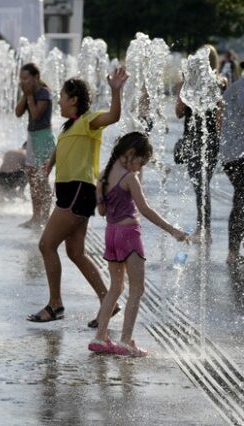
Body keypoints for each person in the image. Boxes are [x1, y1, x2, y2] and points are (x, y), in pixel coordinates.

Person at [27, 68, 129, 326]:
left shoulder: (89, 121)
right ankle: (109, 301)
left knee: (46, 245)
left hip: (78, 192)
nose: (58, 100)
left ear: (73, 99)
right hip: (70, 191)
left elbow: (114, 116)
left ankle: (55, 305)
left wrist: (116, 91)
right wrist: (50, 164)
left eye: (62, 96)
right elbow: (63, 146)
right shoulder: (68, 127)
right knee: (75, 252)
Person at [88, 132, 187, 356]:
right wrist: (172, 230)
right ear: (132, 154)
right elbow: (145, 209)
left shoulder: (103, 176)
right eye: (140, 163)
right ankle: (124, 341)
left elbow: (101, 211)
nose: (139, 169)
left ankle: (100, 338)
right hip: (129, 235)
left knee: (115, 288)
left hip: (111, 234)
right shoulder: (129, 178)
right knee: (137, 289)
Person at [175, 45, 226, 242]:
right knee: (203, 184)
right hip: (212, 139)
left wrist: (183, 90)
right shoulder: (221, 82)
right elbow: (221, 117)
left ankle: (204, 230)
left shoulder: (188, 83)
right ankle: (204, 229)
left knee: (199, 184)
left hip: (192, 139)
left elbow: (178, 112)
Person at [15, 63, 54, 228]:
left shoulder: (44, 93)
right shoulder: (28, 93)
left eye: (26, 78)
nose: (23, 81)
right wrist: (25, 95)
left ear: (36, 77)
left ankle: (45, 217)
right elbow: (18, 113)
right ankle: (35, 216)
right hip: (32, 137)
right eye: (21, 79)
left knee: (41, 178)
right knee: (32, 177)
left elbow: (37, 115)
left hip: (43, 138)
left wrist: (29, 96)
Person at [220, 78, 244, 266]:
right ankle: (233, 252)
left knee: (241, 199)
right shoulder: (241, 89)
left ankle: (233, 251)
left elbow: (219, 117)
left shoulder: (234, 88)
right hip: (238, 155)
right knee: (241, 199)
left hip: (230, 154)